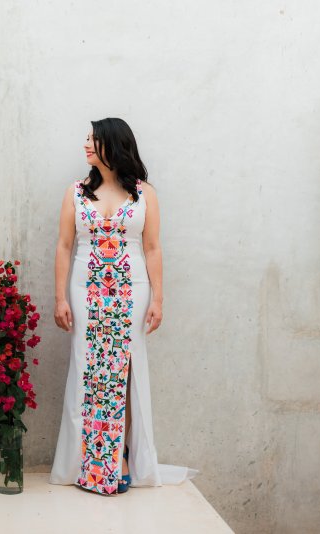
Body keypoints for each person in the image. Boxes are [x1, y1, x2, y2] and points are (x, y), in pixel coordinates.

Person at [50, 118, 193, 494]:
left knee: (123, 371)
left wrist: (159, 298)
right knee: (89, 370)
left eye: (92, 139)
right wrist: (60, 297)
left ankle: (122, 457)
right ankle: (88, 460)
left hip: (132, 291)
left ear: (111, 146)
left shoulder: (145, 193)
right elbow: (65, 245)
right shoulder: (76, 192)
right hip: (86, 291)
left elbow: (152, 247)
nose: (85, 145)